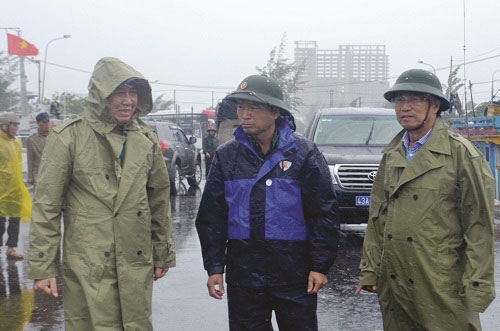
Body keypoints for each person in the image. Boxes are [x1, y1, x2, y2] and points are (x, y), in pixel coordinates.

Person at [27, 57, 176, 330]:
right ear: (100, 94)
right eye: (119, 92)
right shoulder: (68, 137)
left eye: (133, 93)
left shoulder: (145, 138)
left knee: (136, 325)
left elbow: (158, 198)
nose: (127, 100)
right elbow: (46, 205)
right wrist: (42, 267)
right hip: (89, 262)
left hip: (136, 258)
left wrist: (161, 252)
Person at [196, 75, 340, 330]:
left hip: (294, 275)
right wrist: (215, 267)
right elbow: (212, 217)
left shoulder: (304, 153)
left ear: (275, 112)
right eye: (241, 107)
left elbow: (323, 213)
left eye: (254, 107)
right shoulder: (227, 156)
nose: (245, 114)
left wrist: (319, 266)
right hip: (244, 277)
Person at [355, 69, 495, 330]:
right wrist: (371, 269)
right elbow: (377, 217)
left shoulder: (460, 155)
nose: (405, 108)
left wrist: (477, 285)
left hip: (440, 283)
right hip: (395, 281)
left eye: (415, 100)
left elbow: (479, 226)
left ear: (435, 106)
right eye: (399, 101)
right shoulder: (393, 154)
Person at [0, 112, 31, 260]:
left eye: (18, 125)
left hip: (14, 189)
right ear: (5, 126)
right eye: (14, 125)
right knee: (0, 222)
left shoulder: (17, 143)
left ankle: (11, 249)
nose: (16, 128)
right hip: (1, 190)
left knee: (14, 220)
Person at [27, 111, 51, 190]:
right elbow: (30, 159)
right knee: (39, 199)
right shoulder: (32, 140)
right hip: (38, 174)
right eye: (44, 122)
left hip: (53, 173)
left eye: (48, 121)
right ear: (38, 123)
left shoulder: (55, 137)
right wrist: (30, 177)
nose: (47, 124)